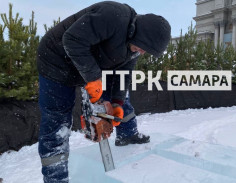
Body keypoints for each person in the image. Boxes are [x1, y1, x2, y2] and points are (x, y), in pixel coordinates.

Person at [37, 1, 171, 182]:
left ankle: (127, 134)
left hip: (91, 63)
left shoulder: (134, 48)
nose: (143, 52)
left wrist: (117, 103)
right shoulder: (113, 15)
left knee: (115, 101)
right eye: (143, 47)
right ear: (139, 33)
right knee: (57, 123)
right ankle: (55, 178)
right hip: (56, 61)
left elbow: (123, 75)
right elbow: (72, 40)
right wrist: (93, 78)